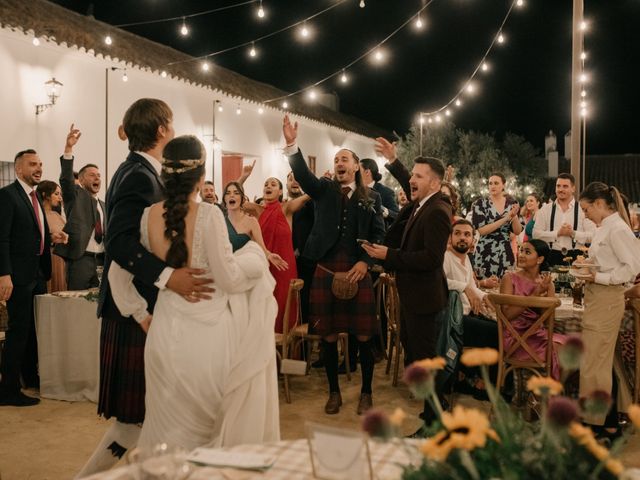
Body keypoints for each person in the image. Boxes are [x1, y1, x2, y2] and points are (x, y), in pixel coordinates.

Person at [108, 135, 279, 451]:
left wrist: (140, 314)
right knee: (205, 435)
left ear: (164, 175)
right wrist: (254, 260)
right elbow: (228, 279)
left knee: (164, 432)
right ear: (201, 178)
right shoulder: (210, 215)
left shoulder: (147, 217)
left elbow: (117, 273)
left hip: (162, 333)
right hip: (208, 337)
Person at [78, 99, 213, 478]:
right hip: (134, 313)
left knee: (146, 420)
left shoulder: (141, 172)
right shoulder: (138, 175)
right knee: (135, 421)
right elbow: (119, 242)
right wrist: (169, 279)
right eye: (171, 122)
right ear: (161, 131)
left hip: (140, 312)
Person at [283, 115, 385, 415]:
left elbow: (379, 234)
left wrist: (366, 263)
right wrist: (291, 144)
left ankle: (366, 392)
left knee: (364, 337)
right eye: (336, 159)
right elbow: (302, 173)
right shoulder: (323, 189)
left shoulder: (372, 197)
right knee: (327, 336)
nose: (339, 162)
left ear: (356, 167)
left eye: (345, 159)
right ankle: (333, 392)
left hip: (358, 272)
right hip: (325, 270)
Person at [362, 148, 452, 429]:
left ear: (434, 183)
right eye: (411, 174)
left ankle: (433, 425)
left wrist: (387, 256)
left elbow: (431, 259)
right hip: (415, 296)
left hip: (425, 299)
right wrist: (394, 161)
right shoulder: (422, 202)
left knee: (426, 364)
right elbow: (408, 184)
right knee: (419, 358)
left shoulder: (437, 210)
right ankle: (433, 413)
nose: (411, 179)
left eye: (418, 176)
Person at [578, 182, 640, 435]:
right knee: (602, 360)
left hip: (607, 297)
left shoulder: (618, 229)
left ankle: (596, 423)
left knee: (594, 363)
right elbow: (608, 262)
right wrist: (589, 265)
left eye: (586, 209)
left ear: (600, 204)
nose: (585, 215)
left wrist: (598, 278)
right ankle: (610, 421)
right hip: (597, 297)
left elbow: (632, 268)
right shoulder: (605, 227)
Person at [0, 150, 60, 406]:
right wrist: (4, 274)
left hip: (37, 273)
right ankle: (8, 390)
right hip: (17, 275)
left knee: (33, 331)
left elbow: (33, 234)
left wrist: (51, 239)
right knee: (18, 331)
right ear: (18, 169)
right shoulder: (7, 195)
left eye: (40, 164)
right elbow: (1, 238)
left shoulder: (34, 197)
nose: (38, 168)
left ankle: (29, 380)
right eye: (32, 164)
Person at [238, 165, 311, 333]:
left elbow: (310, 195)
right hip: (262, 266)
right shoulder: (256, 210)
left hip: (284, 267)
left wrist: (319, 180)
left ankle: (286, 349)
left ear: (280, 192)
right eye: (266, 184)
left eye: (273, 184)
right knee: (262, 306)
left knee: (284, 305)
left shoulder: (287, 208)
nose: (268, 186)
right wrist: (244, 177)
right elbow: (232, 196)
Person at [499, 239, 567, 380]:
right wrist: (535, 294)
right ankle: (542, 395)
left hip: (538, 334)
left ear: (540, 259)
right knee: (561, 352)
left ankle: (542, 394)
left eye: (527, 252)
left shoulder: (547, 284)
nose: (521, 255)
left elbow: (548, 322)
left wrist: (546, 294)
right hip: (515, 337)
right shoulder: (509, 278)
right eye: (521, 250)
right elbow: (507, 315)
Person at [53, 124, 107, 290]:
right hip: (80, 259)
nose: (97, 178)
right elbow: (66, 180)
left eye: (99, 175)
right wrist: (68, 148)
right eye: (92, 175)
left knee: (97, 308)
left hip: (102, 260)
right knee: (76, 304)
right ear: (82, 180)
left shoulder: (104, 205)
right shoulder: (74, 195)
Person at [532, 173, 595, 266]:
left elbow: (593, 236)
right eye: (558, 186)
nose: (561, 189)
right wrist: (557, 233)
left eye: (565, 186)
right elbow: (535, 234)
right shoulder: (545, 209)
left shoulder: (582, 209)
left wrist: (573, 233)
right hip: (551, 255)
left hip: (576, 257)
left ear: (573, 188)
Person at [471, 173, 522, 278]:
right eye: (490, 183)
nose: (492, 186)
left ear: (503, 185)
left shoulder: (511, 203)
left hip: (505, 251)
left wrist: (514, 216)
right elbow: (482, 231)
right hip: (485, 250)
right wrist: (505, 219)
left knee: (506, 285)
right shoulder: (480, 204)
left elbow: (517, 231)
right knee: (484, 285)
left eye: (496, 183)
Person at [38, 180, 69, 292]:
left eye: (60, 194)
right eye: (56, 194)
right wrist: (51, 239)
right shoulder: (39, 215)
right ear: (45, 195)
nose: (60, 198)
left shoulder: (57, 215)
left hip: (61, 261)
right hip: (48, 260)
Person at [360, 158, 399, 228]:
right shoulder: (354, 190)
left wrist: (383, 210)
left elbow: (397, 216)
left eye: (358, 170)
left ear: (367, 172)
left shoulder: (386, 192)